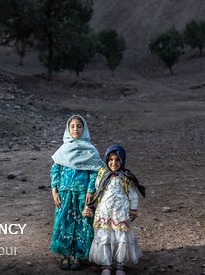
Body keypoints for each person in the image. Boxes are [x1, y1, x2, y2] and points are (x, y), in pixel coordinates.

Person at [50, 115, 105, 271]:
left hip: (82, 195)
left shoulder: (90, 150)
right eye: (72, 126)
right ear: (68, 129)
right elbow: (55, 170)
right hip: (64, 193)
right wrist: (54, 190)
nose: (76, 129)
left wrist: (90, 190)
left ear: (84, 128)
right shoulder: (63, 150)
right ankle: (65, 256)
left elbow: (95, 170)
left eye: (79, 126)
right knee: (64, 221)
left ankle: (78, 256)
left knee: (82, 223)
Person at [88, 145, 145, 275]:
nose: (113, 163)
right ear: (107, 160)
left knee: (121, 239)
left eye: (117, 160)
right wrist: (92, 206)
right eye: (111, 160)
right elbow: (97, 191)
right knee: (105, 238)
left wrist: (133, 210)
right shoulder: (103, 175)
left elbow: (133, 195)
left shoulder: (125, 177)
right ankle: (106, 265)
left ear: (122, 160)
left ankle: (119, 265)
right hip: (105, 212)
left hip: (121, 213)